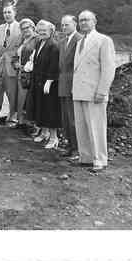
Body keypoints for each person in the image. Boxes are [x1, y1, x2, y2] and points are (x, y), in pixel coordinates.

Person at [73, 10, 115, 173]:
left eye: (87, 20)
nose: (83, 23)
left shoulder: (104, 41)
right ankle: (86, 158)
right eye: (81, 20)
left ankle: (100, 159)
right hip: (79, 91)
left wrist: (102, 91)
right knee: (82, 126)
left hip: (94, 92)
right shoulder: (79, 43)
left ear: (94, 21)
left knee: (96, 127)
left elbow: (108, 68)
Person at [28, 20, 61, 149]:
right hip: (38, 81)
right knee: (41, 108)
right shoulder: (39, 42)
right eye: (39, 30)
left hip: (49, 83)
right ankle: (44, 132)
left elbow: (54, 66)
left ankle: (54, 138)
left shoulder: (54, 45)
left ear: (51, 31)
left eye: (44, 31)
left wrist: (49, 81)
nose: (41, 33)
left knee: (50, 110)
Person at [0, 4, 21, 125]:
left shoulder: (20, 28)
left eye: (9, 12)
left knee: (12, 94)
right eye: (5, 12)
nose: (6, 15)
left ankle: (12, 119)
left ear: (14, 13)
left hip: (12, 67)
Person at [58, 15, 82, 160]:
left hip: (74, 85)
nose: (64, 27)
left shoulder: (79, 40)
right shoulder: (62, 42)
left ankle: (78, 149)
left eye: (67, 25)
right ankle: (70, 146)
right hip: (63, 84)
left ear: (74, 24)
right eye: (62, 25)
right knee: (66, 118)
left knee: (74, 119)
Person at [14, 18, 37, 130]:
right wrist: (15, 63)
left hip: (29, 74)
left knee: (28, 99)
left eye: (27, 27)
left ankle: (29, 124)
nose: (25, 30)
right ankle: (21, 121)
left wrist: (24, 67)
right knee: (21, 98)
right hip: (20, 74)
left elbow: (36, 58)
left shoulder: (37, 40)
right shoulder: (22, 40)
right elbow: (15, 55)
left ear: (33, 27)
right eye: (22, 29)